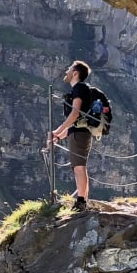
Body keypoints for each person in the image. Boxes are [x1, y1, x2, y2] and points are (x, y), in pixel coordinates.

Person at [49, 59, 92, 211]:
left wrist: (57, 130)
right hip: (79, 132)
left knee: (79, 167)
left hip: (80, 135)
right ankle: (83, 198)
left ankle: (81, 201)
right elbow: (77, 123)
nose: (66, 71)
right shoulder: (81, 89)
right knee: (78, 166)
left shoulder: (78, 89)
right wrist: (60, 135)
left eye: (69, 69)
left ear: (75, 73)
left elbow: (75, 113)